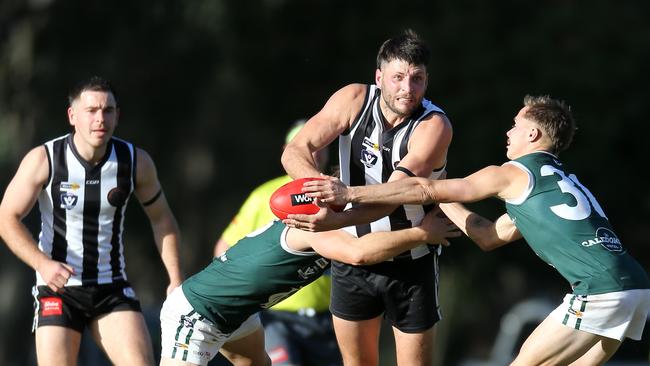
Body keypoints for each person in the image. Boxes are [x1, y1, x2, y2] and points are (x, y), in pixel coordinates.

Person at [303, 95, 650, 365]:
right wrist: (443, 204)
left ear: (532, 133)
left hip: (599, 291)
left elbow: (424, 189)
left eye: (515, 125)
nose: (508, 132)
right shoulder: (557, 184)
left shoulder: (513, 173)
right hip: (636, 287)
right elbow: (488, 235)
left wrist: (350, 193)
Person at [280, 29, 452, 365]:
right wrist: (320, 190)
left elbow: (396, 193)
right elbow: (295, 150)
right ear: (379, 77)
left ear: (427, 81)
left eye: (417, 79)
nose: (407, 88)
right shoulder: (353, 99)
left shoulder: (434, 125)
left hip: (410, 263)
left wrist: (341, 203)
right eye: (398, 77)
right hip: (350, 264)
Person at [0, 76, 183, 366]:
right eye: (92, 111)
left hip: (111, 287)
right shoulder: (45, 159)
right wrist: (42, 264)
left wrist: (175, 279)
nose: (100, 119)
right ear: (73, 116)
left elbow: (163, 220)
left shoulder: (135, 162)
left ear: (117, 115)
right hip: (57, 290)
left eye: (108, 110)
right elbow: (6, 218)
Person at [160, 208, 459, 366]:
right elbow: (360, 253)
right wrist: (422, 233)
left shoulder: (335, 228)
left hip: (239, 314)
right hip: (197, 313)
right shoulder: (314, 226)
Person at [213, 120, 340, 365]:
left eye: (321, 145)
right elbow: (224, 247)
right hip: (278, 319)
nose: (315, 152)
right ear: (287, 150)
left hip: (328, 320)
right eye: (307, 146)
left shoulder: (338, 194)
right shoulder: (267, 196)